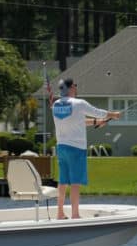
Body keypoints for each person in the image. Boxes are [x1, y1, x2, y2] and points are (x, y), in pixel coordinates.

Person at [51, 78, 120, 219]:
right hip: (76, 149)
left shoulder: (56, 105)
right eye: (75, 86)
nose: (76, 88)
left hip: (61, 147)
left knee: (63, 181)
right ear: (70, 88)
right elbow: (97, 112)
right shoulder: (79, 103)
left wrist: (96, 122)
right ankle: (75, 214)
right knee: (75, 182)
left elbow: (77, 121)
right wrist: (113, 114)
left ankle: (59, 213)